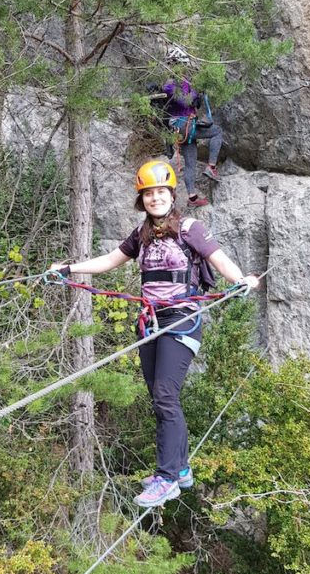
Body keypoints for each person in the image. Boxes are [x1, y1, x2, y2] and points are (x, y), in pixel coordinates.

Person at [49, 160, 259, 508]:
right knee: (161, 398)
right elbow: (108, 261)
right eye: (149, 193)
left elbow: (219, 259)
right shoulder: (141, 234)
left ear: (171, 194)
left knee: (164, 394)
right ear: (142, 198)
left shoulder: (190, 227)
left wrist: (240, 280)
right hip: (150, 323)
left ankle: (167, 478)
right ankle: (182, 467)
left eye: (161, 192)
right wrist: (68, 269)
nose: (155, 198)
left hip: (182, 319)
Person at [150, 72, 224, 208]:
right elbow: (186, 101)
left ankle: (192, 198)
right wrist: (196, 92)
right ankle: (211, 167)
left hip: (183, 127)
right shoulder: (170, 85)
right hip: (183, 124)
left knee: (190, 163)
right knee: (217, 132)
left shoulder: (181, 82)